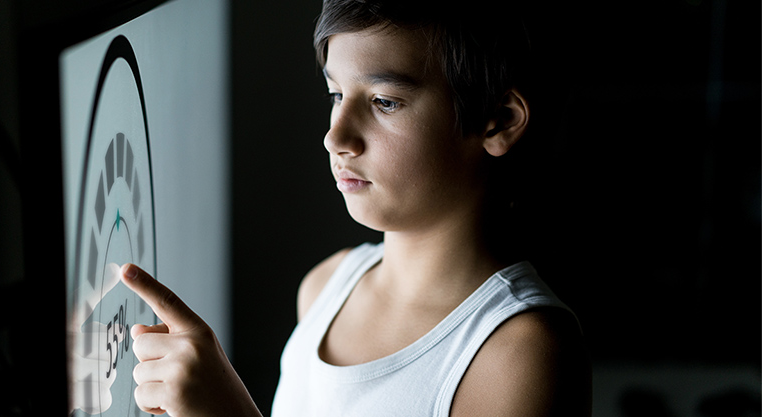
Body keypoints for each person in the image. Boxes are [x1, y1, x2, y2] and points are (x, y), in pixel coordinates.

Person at [121, 0, 592, 415]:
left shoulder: (520, 352)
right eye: (336, 95)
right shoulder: (324, 287)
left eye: (385, 102)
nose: (336, 137)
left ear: (499, 121)